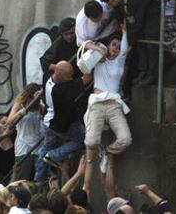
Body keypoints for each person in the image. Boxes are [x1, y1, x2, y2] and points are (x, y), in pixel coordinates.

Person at [83, 25, 132, 199]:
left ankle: (109, 152)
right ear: (108, 45)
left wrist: (124, 33)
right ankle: (101, 152)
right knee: (91, 141)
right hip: (97, 102)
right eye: (113, 44)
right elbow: (84, 45)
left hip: (114, 104)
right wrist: (99, 50)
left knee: (125, 139)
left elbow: (125, 47)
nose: (116, 48)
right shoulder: (98, 58)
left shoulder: (120, 60)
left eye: (118, 46)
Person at [100, 0, 166, 88]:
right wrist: (120, 22)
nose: (108, 6)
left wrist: (130, 43)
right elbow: (118, 10)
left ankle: (152, 74)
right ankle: (142, 72)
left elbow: (135, 25)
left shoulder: (130, 0)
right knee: (140, 39)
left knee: (150, 39)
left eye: (109, 3)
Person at [34, 61, 92, 182]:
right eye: (68, 76)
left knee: (47, 145)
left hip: (48, 122)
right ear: (59, 73)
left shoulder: (47, 77)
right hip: (62, 125)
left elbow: (47, 64)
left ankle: (39, 177)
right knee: (82, 140)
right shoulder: (61, 90)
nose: (71, 78)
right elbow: (87, 78)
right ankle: (55, 155)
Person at [6, 83, 43, 181]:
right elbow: (9, 122)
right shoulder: (19, 105)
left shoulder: (40, 105)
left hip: (38, 145)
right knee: (23, 176)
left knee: (38, 176)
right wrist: (19, 113)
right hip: (23, 146)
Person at [40, 17, 82, 85]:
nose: (69, 36)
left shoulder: (80, 38)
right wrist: (60, 69)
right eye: (66, 34)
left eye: (72, 33)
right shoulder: (58, 44)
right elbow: (44, 61)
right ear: (62, 34)